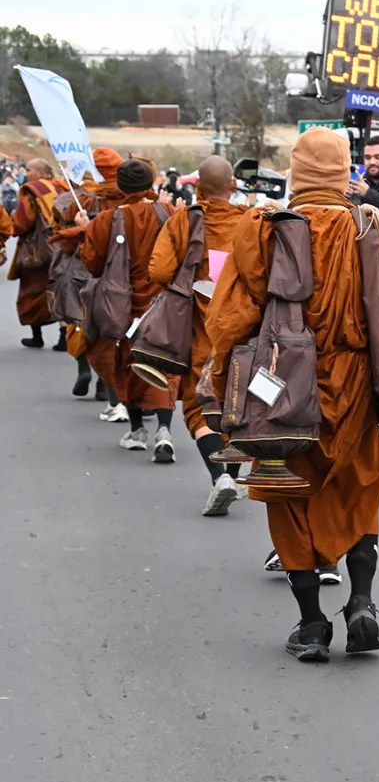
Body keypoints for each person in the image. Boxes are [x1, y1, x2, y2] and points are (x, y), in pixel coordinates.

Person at [206, 127, 379, 662]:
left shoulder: (264, 228)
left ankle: (311, 623)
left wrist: (224, 382)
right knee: (359, 484)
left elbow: (231, 317)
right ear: (343, 171)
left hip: (280, 380)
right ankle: (360, 601)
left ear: (295, 172)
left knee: (285, 488)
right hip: (353, 380)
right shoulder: (365, 226)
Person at [148, 155, 251, 514]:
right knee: (237, 404)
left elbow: (159, 270)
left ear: (197, 188)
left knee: (199, 405)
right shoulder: (249, 222)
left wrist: (190, 280)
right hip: (244, 327)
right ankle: (233, 478)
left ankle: (219, 477)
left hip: (201, 327)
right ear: (233, 187)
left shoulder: (184, 220)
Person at [79, 158, 179, 459]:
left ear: (121, 187)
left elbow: (92, 264)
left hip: (123, 305)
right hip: (163, 303)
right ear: (150, 183)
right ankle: (164, 428)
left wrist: (85, 230)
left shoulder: (106, 220)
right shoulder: (168, 212)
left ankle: (137, 431)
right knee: (163, 363)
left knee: (128, 361)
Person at [57, 147, 131, 419]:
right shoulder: (136, 200)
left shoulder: (83, 201)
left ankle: (91, 374)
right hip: (131, 281)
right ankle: (118, 389)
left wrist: (81, 228)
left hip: (89, 277)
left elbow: (66, 246)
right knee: (125, 337)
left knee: (87, 330)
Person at [10, 158, 68, 350]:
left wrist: (12, 221)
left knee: (32, 292)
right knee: (58, 292)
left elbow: (21, 223)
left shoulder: (32, 190)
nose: (26, 173)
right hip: (62, 247)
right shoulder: (62, 187)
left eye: (29, 169)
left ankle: (37, 337)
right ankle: (64, 337)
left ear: (41, 173)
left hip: (38, 253)